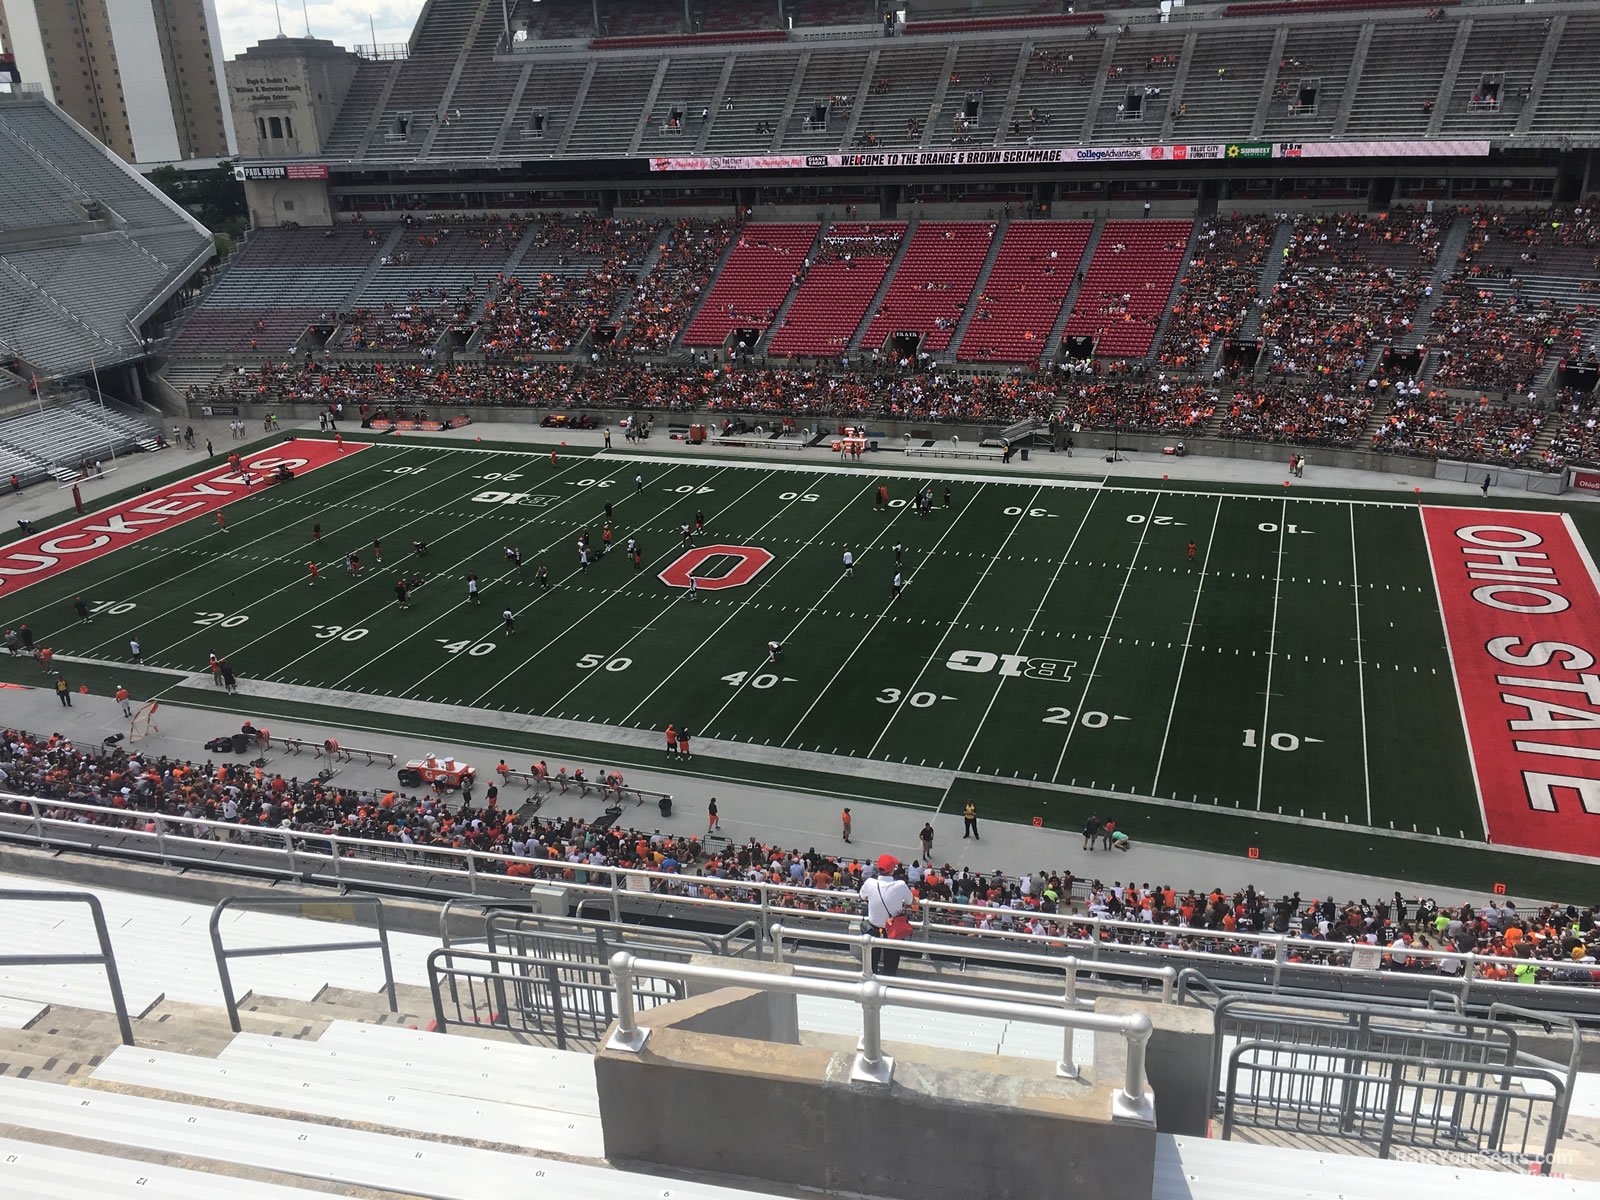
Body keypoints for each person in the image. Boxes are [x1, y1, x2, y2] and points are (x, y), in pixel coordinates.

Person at [860, 855, 913, 975]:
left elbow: (862, 896)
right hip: (893, 930)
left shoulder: (869, 883)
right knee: (891, 963)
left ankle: (871, 979)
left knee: (871, 962)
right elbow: (910, 901)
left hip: (873, 928)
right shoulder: (900, 885)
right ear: (892, 870)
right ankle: (888, 984)